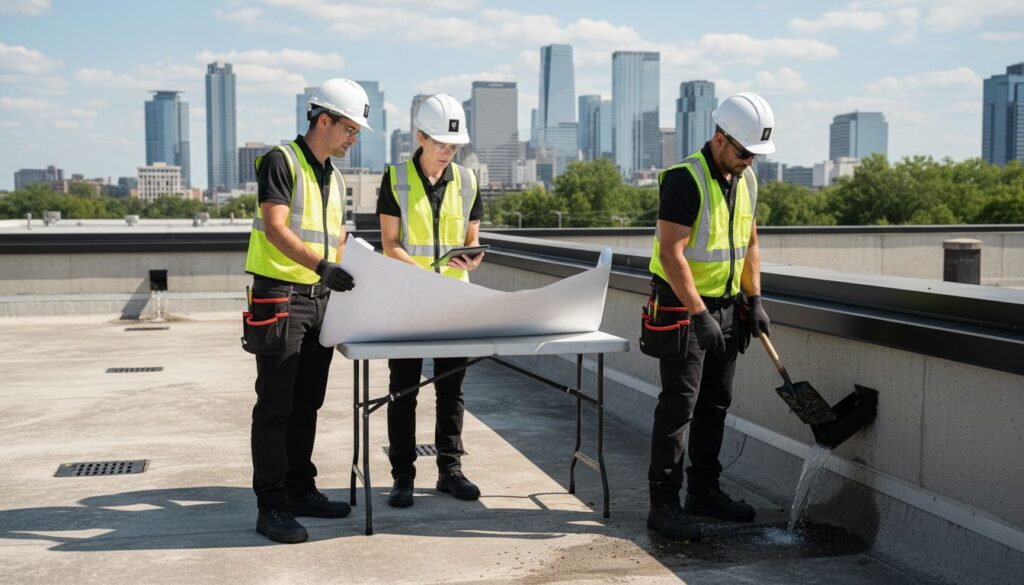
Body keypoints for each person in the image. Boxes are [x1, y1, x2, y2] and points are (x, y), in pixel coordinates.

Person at [244, 78, 372, 544]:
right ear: (324, 120)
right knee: (275, 406)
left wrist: (347, 267)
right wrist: (322, 266)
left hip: (320, 299)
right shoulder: (282, 161)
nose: (354, 137)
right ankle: (271, 506)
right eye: (350, 128)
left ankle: (300, 489)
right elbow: (276, 228)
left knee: (307, 404)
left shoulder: (334, 176)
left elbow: (336, 237)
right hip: (280, 297)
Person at [645, 91, 775, 541]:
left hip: (726, 306)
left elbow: (750, 242)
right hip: (684, 309)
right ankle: (663, 505)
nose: (749, 162)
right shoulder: (685, 178)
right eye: (743, 153)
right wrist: (700, 313)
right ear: (720, 138)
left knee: (716, 403)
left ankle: (704, 491)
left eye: (756, 155)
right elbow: (671, 252)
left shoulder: (746, 181)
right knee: (679, 407)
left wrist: (753, 298)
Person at [376, 93, 484, 508]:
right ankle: (402, 476)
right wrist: (423, 278)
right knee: (403, 391)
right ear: (419, 136)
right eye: (440, 144)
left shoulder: (469, 181)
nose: (447, 153)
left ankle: (450, 470)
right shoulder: (395, 178)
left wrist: (469, 255)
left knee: (451, 391)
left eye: (454, 147)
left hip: (453, 302)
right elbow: (390, 243)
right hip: (406, 301)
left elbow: (471, 237)